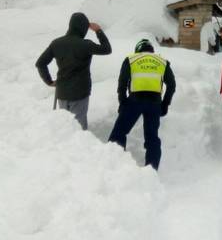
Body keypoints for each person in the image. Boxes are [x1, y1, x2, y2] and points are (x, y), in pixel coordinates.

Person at [35, 12, 112, 130]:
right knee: (78, 130)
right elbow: (107, 49)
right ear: (83, 28)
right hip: (80, 93)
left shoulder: (56, 43)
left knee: (65, 127)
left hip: (62, 92)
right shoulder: (85, 45)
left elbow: (40, 63)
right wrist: (98, 31)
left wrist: (49, 81)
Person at [108, 39, 176, 170]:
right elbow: (172, 85)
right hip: (154, 103)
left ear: (138, 49)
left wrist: (122, 102)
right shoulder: (162, 62)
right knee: (152, 139)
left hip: (134, 101)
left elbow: (122, 83)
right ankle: (151, 171)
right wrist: (165, 105)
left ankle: (114, 166)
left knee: (119, 133)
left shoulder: (131, 59)